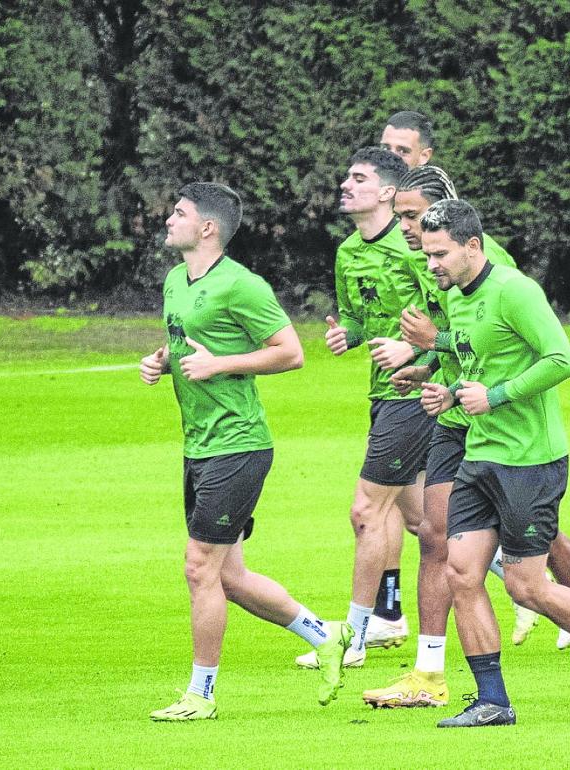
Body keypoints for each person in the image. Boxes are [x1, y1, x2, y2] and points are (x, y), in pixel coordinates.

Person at [365, 166, 570, 708]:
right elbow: (466, 347)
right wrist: (431, 368)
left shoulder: (500, 277)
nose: (404, 228)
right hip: (466, 431)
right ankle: (450, 682)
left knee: (535, 564)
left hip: (519, 444)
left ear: (464, 239)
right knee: (444, 547)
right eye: (403, 218)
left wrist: (474, 381)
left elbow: (548, 356)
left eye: (411, 215)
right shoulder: (445, 276)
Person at [414, 200, 570, 726]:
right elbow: (481, 364)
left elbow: (562, 359)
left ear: (473, 246)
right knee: (462, 572)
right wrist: (450, 393)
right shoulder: (459, 300)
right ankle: (493, 701)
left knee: (526, 586)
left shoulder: (515, 291)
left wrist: (495, 396)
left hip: (530, 462)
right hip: (481, 456)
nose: (433, 266)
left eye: (440, 253)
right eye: (427, 255)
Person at [141, 182, 351, 721]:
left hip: (239, 444)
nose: (169, 218)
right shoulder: (174, 281)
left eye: (179, 212)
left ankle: (201, 695)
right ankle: (325, 635)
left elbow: (291, 353)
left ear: (207, 228)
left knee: (198, 569)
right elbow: (188, 345)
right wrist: (161, 362)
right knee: (229, 577)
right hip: (199, 445)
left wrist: (219, 366)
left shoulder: (242, 286)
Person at [314, 147, 433, 669]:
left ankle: (354, 639)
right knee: (427, 523)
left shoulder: (416, 251)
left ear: (387, 192)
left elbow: (450, 318)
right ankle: (555, 583)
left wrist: (416, 351)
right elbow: (361, 318)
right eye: (346, 176)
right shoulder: (346, 253)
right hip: (381, 395)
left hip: (414, 394)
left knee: (365, 512)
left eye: (357, 178)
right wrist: (349, 335)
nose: (346, 184)